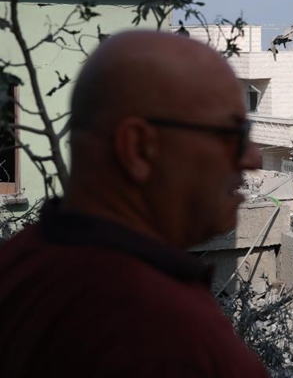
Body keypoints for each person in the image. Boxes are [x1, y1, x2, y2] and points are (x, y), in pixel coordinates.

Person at [0, 31, 271, 377]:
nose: (253, 159)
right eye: (232, 136)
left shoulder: (22, 266)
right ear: (139, 148)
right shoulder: (157, 332)